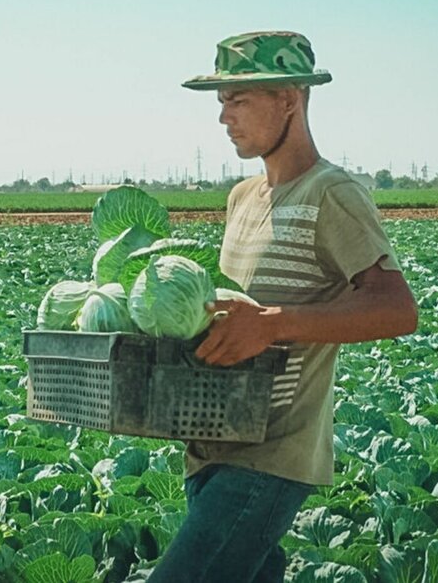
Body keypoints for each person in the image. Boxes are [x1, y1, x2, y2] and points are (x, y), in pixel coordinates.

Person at [146, 31, 419, 583]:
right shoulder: (242, 198)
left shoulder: (331, 193)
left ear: (289, 99)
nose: (225, 117)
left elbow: (396, 308)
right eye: (221, 102)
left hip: (270, 456)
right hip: (211, 449)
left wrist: (275, 326)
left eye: (239, 100)